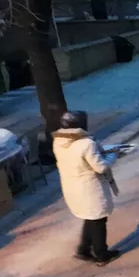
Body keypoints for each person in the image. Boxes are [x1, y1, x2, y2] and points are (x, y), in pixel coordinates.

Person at [53, 111, 120, 265]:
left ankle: (83, 250)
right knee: (98, 220)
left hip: (72, 187)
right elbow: (100, 167)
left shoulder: (58, 141)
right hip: (90, 189)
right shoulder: (86, 144)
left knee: (90, 217)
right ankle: (102, 254)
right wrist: (114, 155)